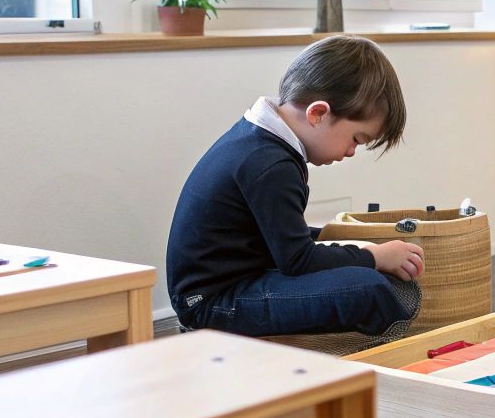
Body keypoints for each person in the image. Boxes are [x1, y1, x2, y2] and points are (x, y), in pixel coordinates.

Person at [166, 35, 424, 336]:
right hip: (213, 303)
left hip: (235, 280)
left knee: (367, 275)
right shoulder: (271, 164)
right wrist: (375, 257)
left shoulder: (261, 141)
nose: (352, 152)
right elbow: (298, 260)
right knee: (369, 290)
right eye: (356, 139)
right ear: (317, 114)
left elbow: (285, 240)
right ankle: (385, 363)